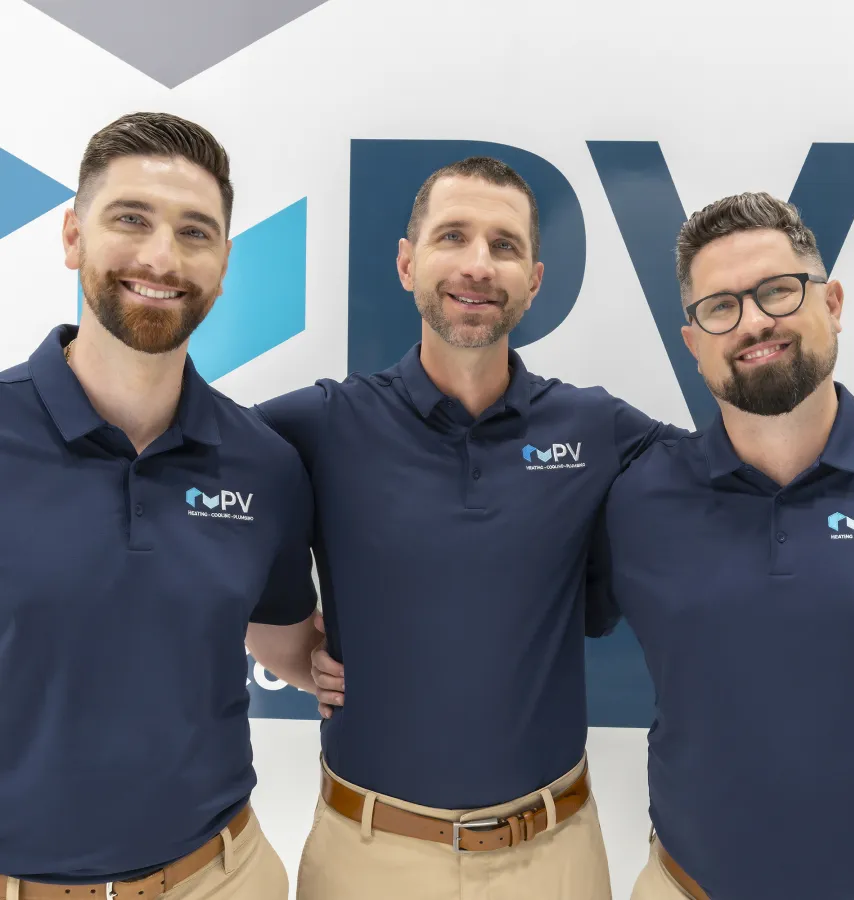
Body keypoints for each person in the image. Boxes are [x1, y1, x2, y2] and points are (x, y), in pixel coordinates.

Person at [246, 156, 690, 900]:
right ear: (407, 262)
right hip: (367, 858)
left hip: (555, 856)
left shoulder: (595, 425)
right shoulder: (321, 422)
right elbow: (191, 475)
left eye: (505, 245)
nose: (479, 265)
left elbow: (736, 468)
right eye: (454, 236)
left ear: (535, 281)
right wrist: (290, 652)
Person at [0, 112, 316, 900]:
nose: (161, 258)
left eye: (195, 232)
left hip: (220, 877)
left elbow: (288, 648)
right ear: (73, 236)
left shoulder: (263, 462)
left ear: (223, 264)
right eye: (130, 219)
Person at [594, 192, 854, 900]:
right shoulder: (636, 498)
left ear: (833, 302)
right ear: (693, 342)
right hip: (686, 886)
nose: (755, 321)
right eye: (720, 306)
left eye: (778, 291)